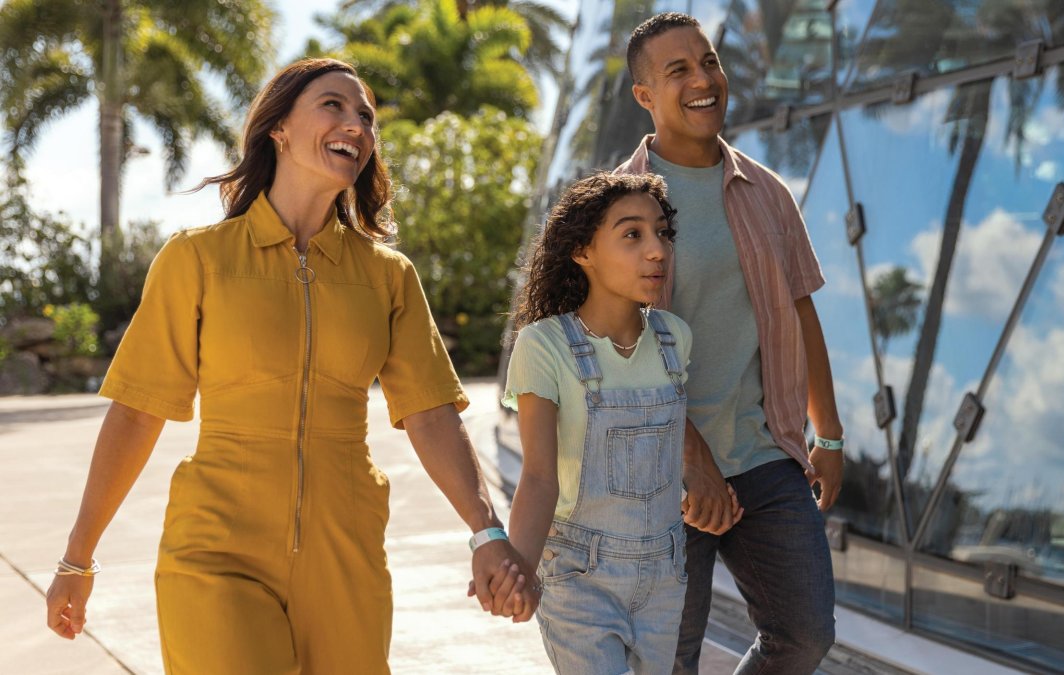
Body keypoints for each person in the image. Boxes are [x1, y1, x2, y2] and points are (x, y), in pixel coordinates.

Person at [44, 58, 535, 674]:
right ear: (277, 127)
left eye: (366, 116)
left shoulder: (387, 277)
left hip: (346, 552)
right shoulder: (197, 260)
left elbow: (430, 412)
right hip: (217, 547)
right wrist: (77, 558)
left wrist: (486, 532)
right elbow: (138, 410)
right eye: (333, 105)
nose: (355, 124)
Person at [617, 13, 845, 675]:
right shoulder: (616, 208)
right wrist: (694, 463)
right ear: (645, 96)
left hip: (764, 454)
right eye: (678, 70)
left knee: (804, 635)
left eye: (708, 62)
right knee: (666, 659)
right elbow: (620, 352)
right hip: (660, 473)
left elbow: (802, 312)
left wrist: (826, 435)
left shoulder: (767, 193)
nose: (702, 80)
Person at [500, 172, 737, 674]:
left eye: (662, 233)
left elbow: (676, 437)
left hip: (666, 571)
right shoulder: (543, 346)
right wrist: (520, 566)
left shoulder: (676, 339)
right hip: (578, 572)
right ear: (583, 250)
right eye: (633, 235)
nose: (657, 251)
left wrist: (700, 472)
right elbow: (540, 477)